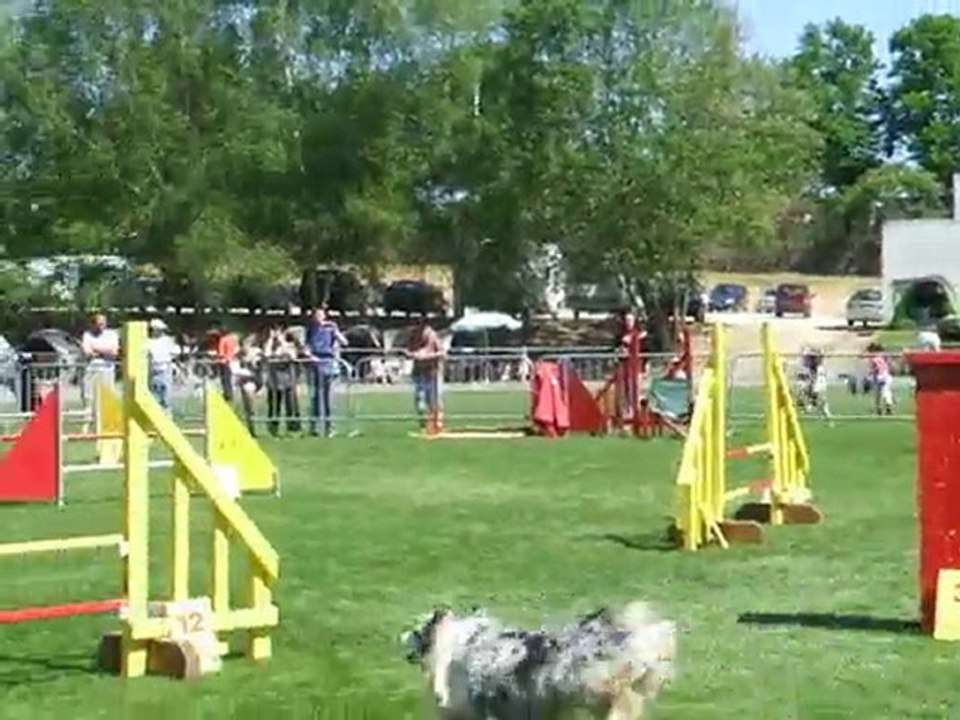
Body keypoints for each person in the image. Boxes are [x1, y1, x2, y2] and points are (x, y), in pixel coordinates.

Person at [304, 307, 348, 437]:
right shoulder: (310, 330)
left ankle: (330, 427)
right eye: (316, 315)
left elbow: (344, 342)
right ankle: (314, 427)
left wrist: (336, 331)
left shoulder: (330, 328)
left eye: (320, 315)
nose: (318, 318)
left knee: (329, 398)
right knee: (315, 397)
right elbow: (306, 347)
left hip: (329, 363)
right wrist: (310, 356)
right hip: (315, 364)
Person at [80, 312, 120, 430]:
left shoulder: (112, 334)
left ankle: (106, 425)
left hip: (107, 368)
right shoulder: (87, 335)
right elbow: (87, 352)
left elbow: (114, 352)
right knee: (88, 397)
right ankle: (86, 426)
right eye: (98, 324)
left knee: (108, 395)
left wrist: (97, 350)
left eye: (103, 323)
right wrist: (105, 351)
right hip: (91, 368)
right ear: (93, 324)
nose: (101, 326)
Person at [407, 318, 445, 432]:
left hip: (432, 372)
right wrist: (411, 355)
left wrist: (427, 356)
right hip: (419, 372)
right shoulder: (413, 336)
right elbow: (408, 350)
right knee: (419, 399)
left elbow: (442, 352)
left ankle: (437, 424)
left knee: (434, 399)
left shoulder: (432, 335)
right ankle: (423, 424)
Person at [262, 322, 300, 436]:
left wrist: (282, 342)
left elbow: (292, 356)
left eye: (277, 331)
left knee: (291, 406)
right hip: (274, 381)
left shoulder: (290, 345)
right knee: (274, 406)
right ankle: (273, 428)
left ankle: (293, 429)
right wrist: (270, 341)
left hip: (288, 380)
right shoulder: (269, 345)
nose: (275, 333)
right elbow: (267, 355)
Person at [146, 318, 178, 411]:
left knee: (166, 395)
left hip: (165, 369)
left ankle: (167, 415)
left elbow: (174, 354)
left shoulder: (168, 340)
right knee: (154, 395)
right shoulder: (148, 342)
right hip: (153, 369)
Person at [865, 342, 894, 416]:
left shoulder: (873, 358)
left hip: (880, 377)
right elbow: (887, 364)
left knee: (878, 394)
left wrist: (871, 373)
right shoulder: (881, 356)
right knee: (886, 392)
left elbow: (876, 369)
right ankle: (888, 407)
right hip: (886, 376)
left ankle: (879, 409)